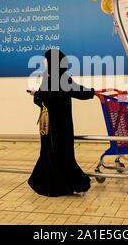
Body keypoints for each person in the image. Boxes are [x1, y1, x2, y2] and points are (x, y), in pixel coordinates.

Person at [28, 49, 95, 197]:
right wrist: (93, 93)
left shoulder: (51, 78)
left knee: (51, 153)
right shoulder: (62, 77)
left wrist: (35, 94)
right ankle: (65, 183)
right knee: (62, 153)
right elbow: (79, 91)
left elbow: (45, 98)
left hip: (51, 125)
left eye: (47, 60)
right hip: (61, 123)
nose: (45, 63)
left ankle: (53, 185)